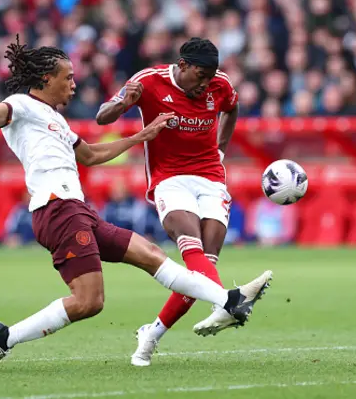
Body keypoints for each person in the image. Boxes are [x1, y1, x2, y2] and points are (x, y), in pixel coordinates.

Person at [0, 37, 272, 373]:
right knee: (89, 301)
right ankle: (5, 337)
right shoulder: (21, 107)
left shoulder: (58, 122)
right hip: (56, 209)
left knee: (152, 254)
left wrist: (141, 136)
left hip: (78, 210)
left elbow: (92, 155)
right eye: (67, 77)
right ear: (45, 80)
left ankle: (229, 300)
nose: (73, 83)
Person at [96, 37, 263, 367]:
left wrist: (221, 150)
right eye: (201, 75)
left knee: (202, 269)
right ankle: (230, 302)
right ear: (183, 65)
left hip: (211, 177)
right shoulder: (147, 82)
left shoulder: (220, 84)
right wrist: (120, 105)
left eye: (211, 76)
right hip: (169, 179)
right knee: (194, 252)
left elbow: (232, 108)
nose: (206, 84)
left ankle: (151, 334)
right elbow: (102, 117)